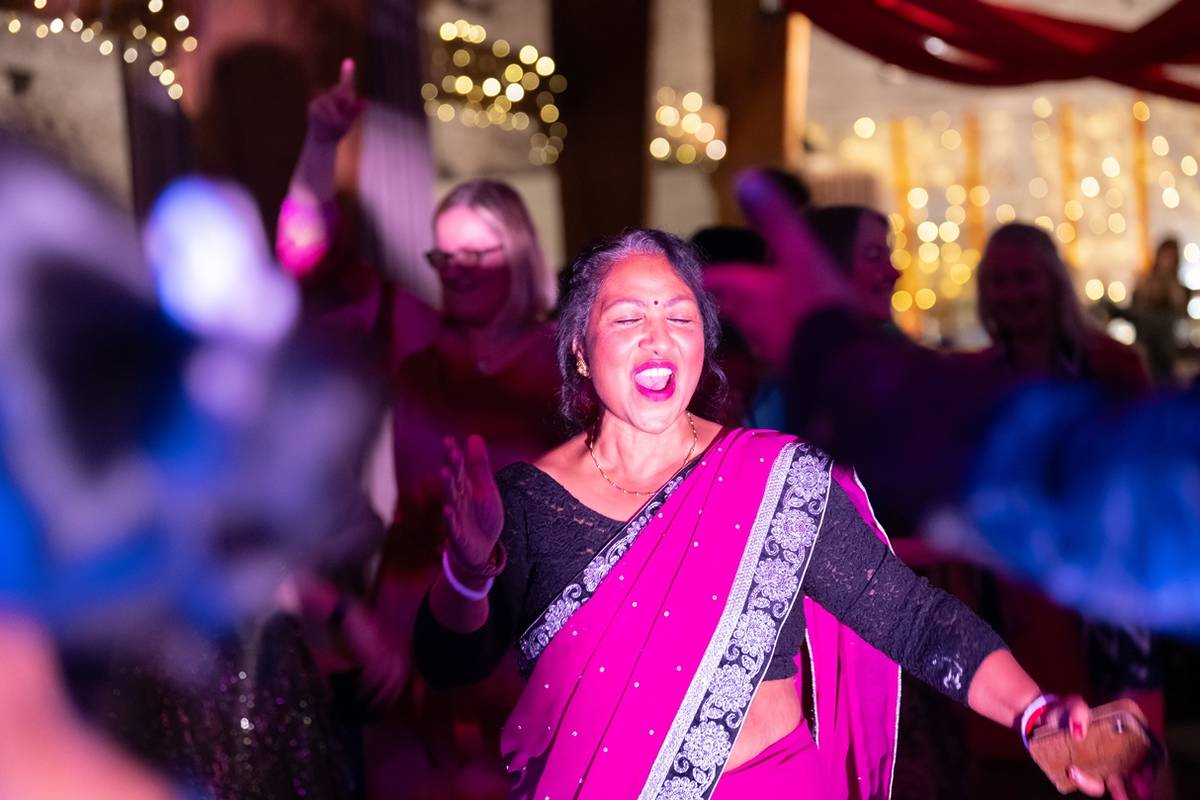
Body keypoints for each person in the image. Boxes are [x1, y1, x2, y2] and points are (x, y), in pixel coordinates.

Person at [414, 227, 1145, 798]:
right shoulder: (525, 500)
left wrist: (1032, 711)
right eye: (628, 317)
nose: (658, 336)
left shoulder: (772, 480)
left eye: (680, 316)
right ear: (578, 349)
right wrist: (469, 570)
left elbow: (913, 618)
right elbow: (450, 664)